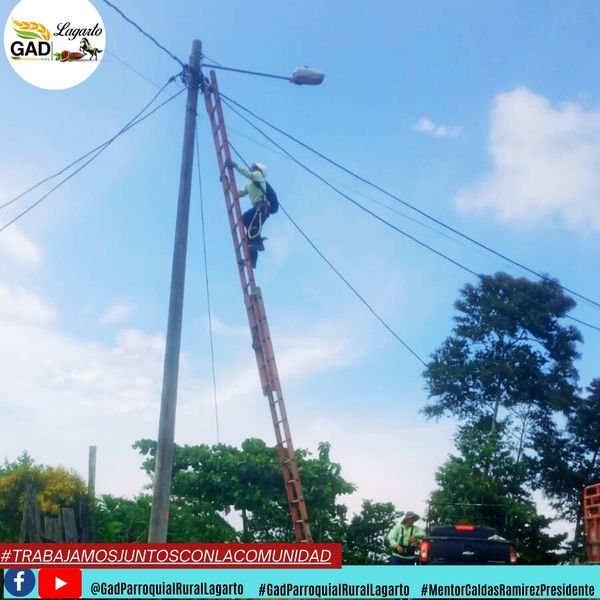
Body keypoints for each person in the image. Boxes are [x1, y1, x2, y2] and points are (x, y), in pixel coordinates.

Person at [225, 159, 269, 268]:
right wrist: (227, 184)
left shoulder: (259, 176)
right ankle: (252, 261)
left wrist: (235, 165)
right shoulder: (250, 184)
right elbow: (238, 194)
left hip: (261, 208)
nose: (252, 168)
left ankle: (258, 242)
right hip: (257, 209)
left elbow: (249, 175)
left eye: (254, 167)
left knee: (248, 223)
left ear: (259, 169)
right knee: (250, 238)